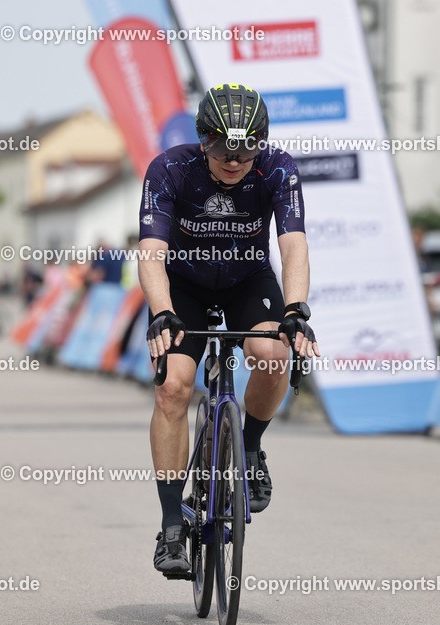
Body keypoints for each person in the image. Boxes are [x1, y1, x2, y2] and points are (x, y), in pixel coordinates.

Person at [141, 83, 319, 576]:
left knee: (273, 354)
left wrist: (296, 308)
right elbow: (151, 253)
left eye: (246, 148)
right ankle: (173, 524)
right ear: (203, 140)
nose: (235, 160)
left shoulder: (278, 168)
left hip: (246, 280)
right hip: (184, 286)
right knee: (173, 389)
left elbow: (294, 245)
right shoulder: (170, 169)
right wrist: (161, 310)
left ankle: (252, 445)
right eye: (222, 148)